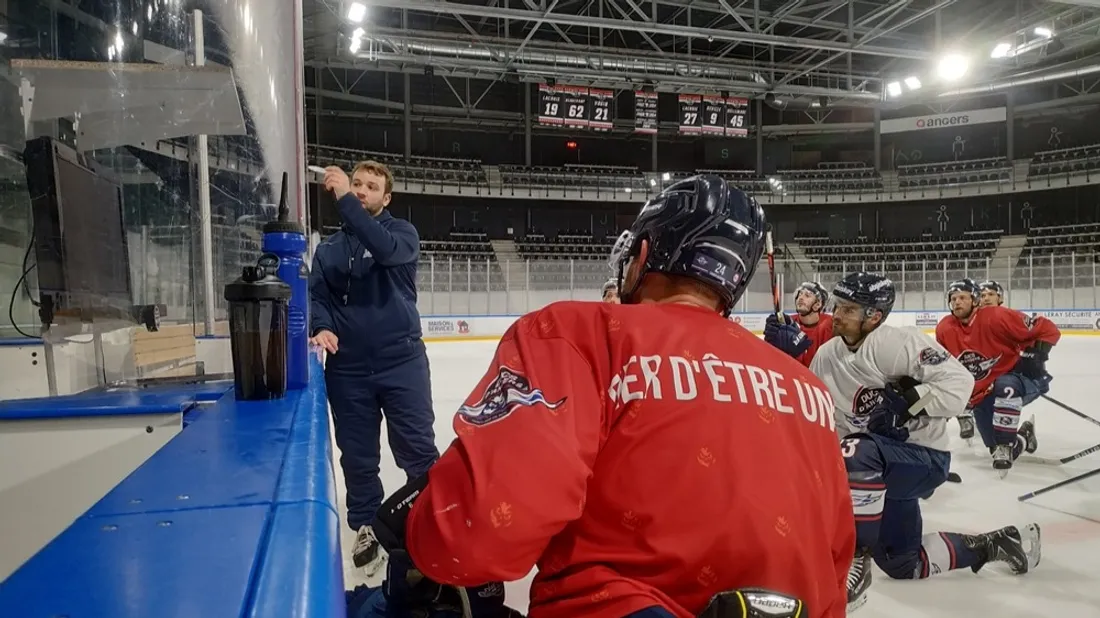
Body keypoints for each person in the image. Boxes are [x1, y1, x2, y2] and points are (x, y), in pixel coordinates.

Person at [365, 176, 855, 618]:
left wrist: (423, 530)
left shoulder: (577, 332)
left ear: (643, 256)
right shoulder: (806, 386)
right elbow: (834, 564)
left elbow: (481, 530)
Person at [808, 272, 1042, 613]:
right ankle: (994, 544)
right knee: (904, 564)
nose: (837, 314)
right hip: (874, 471)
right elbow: (820, 416)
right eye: (837, 306)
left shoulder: (895, 342)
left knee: (857, 450)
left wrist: (910, 402)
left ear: (873, 316)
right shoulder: (826, 356)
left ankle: (855, 563)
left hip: (922, 457)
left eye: (847, 308)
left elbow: (959, 383)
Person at [311, 161, 439, 573]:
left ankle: (431, 523)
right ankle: (366, 524)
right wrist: (323, 326)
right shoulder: (328, 250)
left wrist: (345, 198)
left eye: (371, 187)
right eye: (357, 184)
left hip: (401, 362)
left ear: (386, 199)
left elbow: (380, 247)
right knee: (358, 459)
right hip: (347, 371)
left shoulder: (401, 235)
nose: (362, 190)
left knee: (418, 452)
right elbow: (318, 299)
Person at [936, 278, 1060, 476]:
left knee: (1005, 385)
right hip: (983, 394)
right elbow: (943, 364)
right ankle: (1023, 438)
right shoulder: (944, 328)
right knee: (998, 451)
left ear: (975, 299)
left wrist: (1038, 354)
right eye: (953, 298)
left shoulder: (996, 316)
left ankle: (1005, 443)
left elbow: (1047, 328)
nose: (957, 302)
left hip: (1021, 379)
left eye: (962, 297)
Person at [763, 281, 833, 367]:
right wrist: (771, 344)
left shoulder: (829, 325)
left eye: (807, 295)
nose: (801, 298)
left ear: (818, 304)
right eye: (800, 294)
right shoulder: (787, 323)